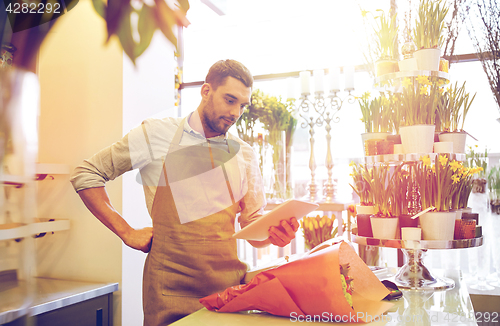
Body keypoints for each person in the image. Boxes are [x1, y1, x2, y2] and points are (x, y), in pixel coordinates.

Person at [70, 59, 300, 325]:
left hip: (227, 293)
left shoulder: (244, 154)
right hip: (168, 292)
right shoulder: (156, 134)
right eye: (229, 100)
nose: (236, 112)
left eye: (242, 105)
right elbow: (86, 174)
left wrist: (274, 235)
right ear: (205, 91)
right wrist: (127, 232)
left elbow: (252, 226)